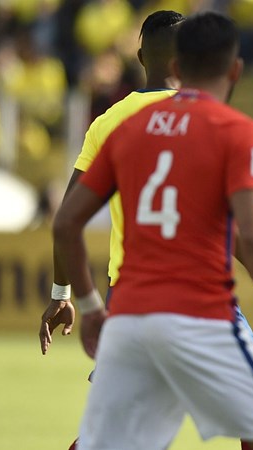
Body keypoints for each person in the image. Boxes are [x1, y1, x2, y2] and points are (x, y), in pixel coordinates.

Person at [53, 11, 253, 450]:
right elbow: (250, 231)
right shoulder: (234, 129)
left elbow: (65, 222)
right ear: (232, 70)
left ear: (145, 58)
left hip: (130, 305)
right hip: (201, 305)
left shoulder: (119, 124)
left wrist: (80, 301)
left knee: (108, 441)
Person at [40, 9, 184, 353]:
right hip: (194, 287)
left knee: (125, 407)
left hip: (129, 295)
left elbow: (67, 217)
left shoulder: (107, 123)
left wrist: (62, 293)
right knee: (246, 400)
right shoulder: (208, 118)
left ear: (139, 58)